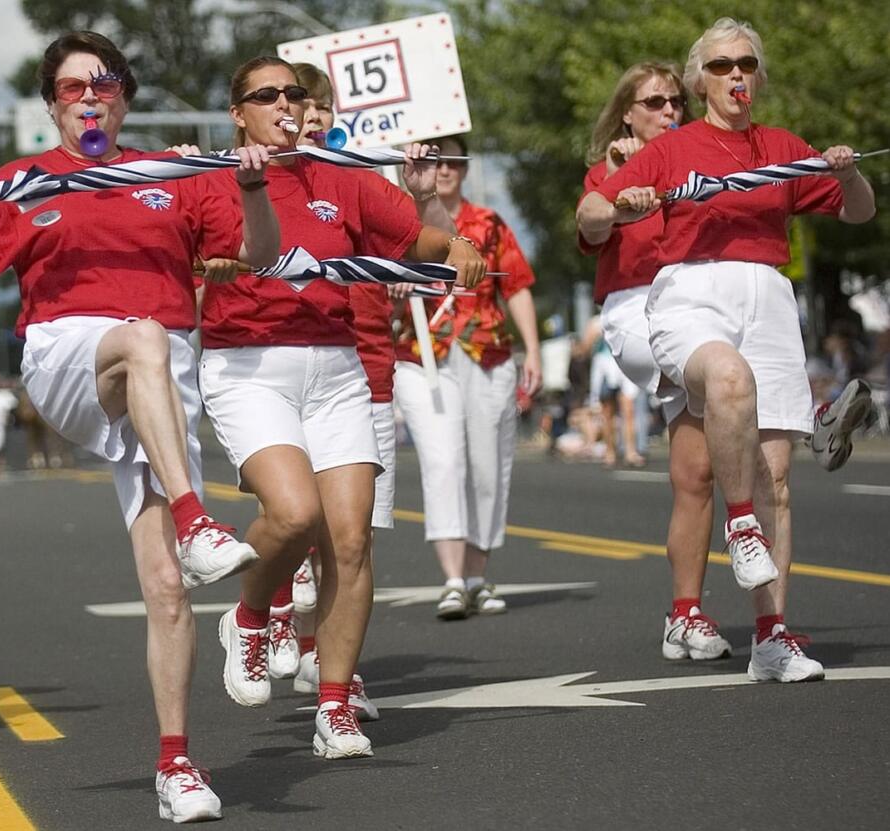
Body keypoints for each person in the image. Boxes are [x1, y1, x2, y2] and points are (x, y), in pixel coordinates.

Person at [0, 31, 281, 823]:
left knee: (168, 588)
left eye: (105, 84)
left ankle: (176, 764)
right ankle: (196, 517)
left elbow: (260, 255)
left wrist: (250, 188)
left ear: (124, 98)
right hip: (71, 359)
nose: (90, 97)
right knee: (141, 335)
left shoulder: (174, 173)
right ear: (51, 103)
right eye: (74, 87)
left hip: (160, 385)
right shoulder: (24, 181)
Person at [199, 55, 484, 760]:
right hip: (248, 364)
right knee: (295, 514)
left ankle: (335, 704)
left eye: (294, 93)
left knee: (350, 539)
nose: (285, 105)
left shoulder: (345, 177)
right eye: (267, 96)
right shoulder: (203, 177)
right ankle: (248, 614)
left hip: (336, 365)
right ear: (239, 111)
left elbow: (416, 239)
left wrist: (458, 244)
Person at [577, 18, 876, 681]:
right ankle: (739, 528)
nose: (735, 73)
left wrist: (847, 173)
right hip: (691, 290)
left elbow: (859, 211)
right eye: (719, 65)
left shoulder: (783, 146)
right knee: (728, 379)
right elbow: (589, 216)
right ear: (701, 78)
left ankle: (773, 637)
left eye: (745, 63)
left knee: (777, 479)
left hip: (768, 294)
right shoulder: (673, 148)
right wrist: (622, 202)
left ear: (759, 76)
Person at [578, 61, 733, 660]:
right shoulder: (610, 171)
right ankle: (800, 406)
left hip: (699, 303)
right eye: (654, 103)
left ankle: (684, 614)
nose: (669, 111)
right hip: (638, 310)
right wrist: (619, 191)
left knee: (695, 476)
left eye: (675, 102)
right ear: (628, 114)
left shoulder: (697, 162)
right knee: (728, 378)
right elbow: (590, 228)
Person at [391, 133, 541, 622]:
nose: (444, 167)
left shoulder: (490, 223)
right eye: (433, 158)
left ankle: (478, 575)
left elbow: (515, 287)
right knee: (442, 462)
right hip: (423, 355)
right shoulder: (398, 221)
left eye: (453, 159)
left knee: (487, 467)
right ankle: (453, 580)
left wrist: (533, 349)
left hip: (489, 353)